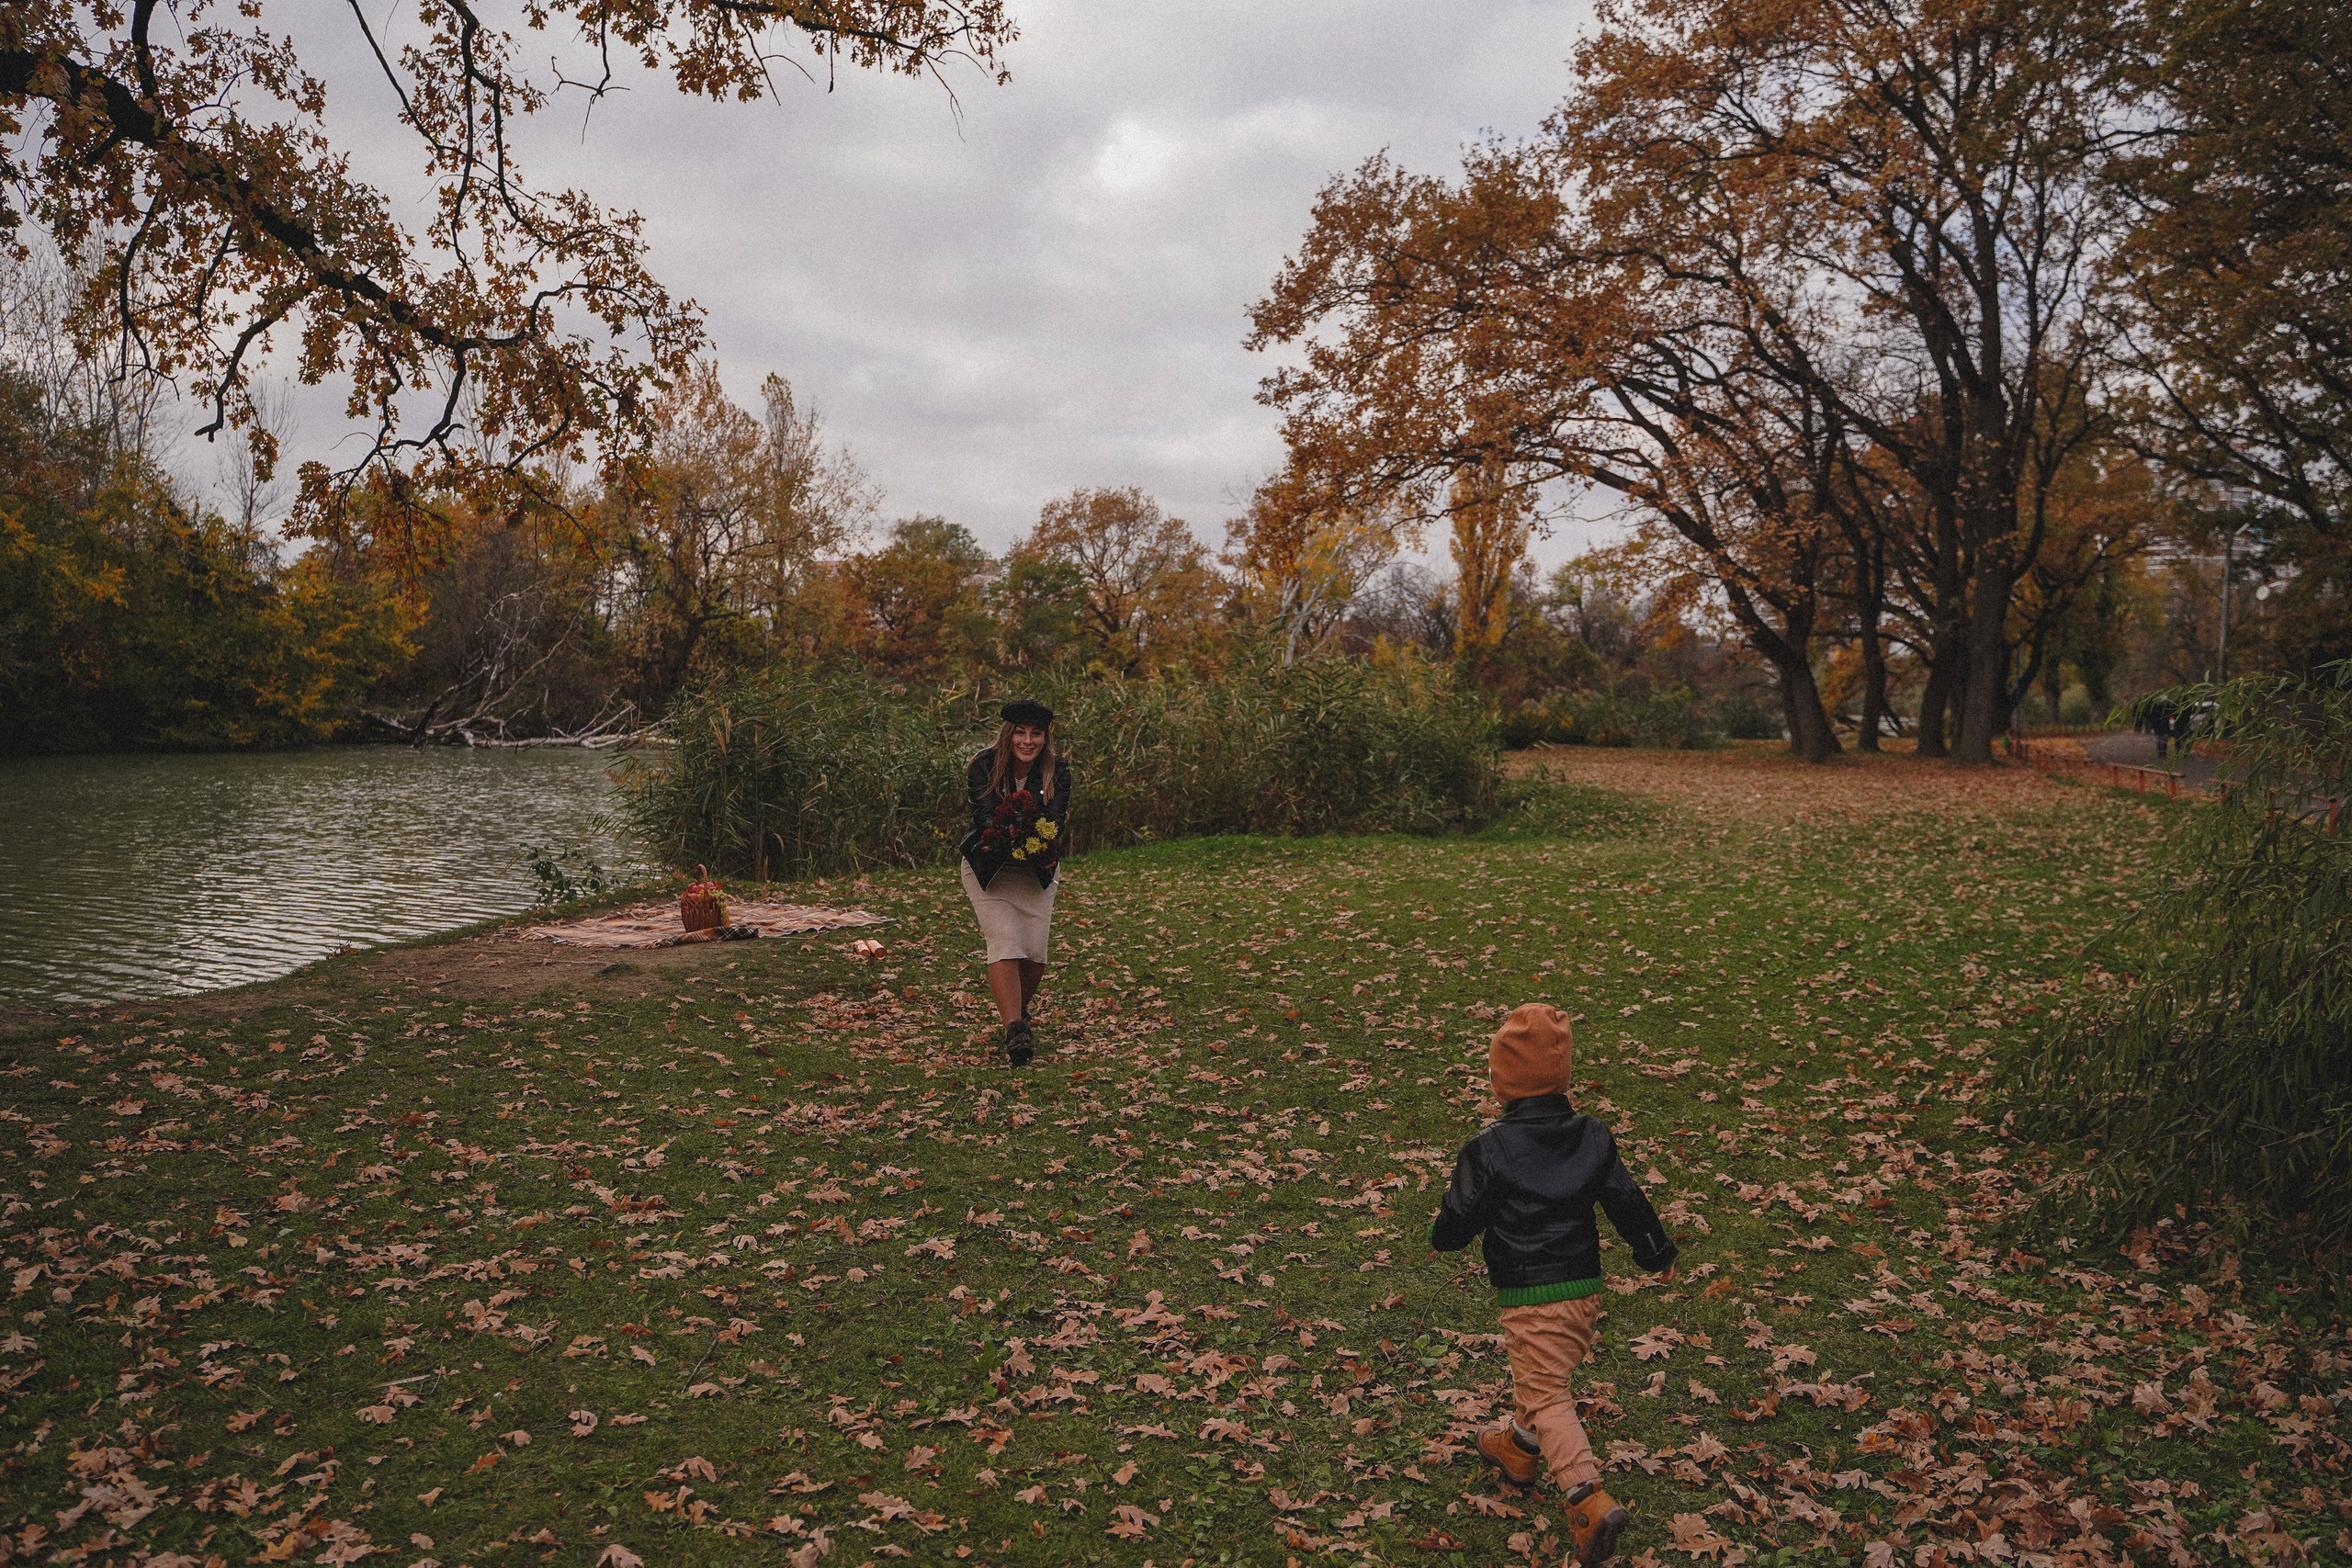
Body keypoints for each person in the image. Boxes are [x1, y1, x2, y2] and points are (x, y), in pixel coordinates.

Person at [1430, 1003, 1679, 1567]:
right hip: (1583, 1290)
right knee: (1542, 1375)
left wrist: (1442, 1237)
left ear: (1501, 1082)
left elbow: (1461, 1211)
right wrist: (1654, 1252)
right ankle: (1518, 1450)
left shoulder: (1489, 1146)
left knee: (1546, 1391)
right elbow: (1627, 1200)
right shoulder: (1591, 1135)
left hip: (1530, 1293)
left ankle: (1586, 1496)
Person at [958, 699, 1072, 1066]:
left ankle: (1016, 1010)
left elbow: (1055, 821)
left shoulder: (1059, 770)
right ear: (1009, 734)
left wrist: (1035, 836)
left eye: (1036, 733)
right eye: (1020, 733)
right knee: (1005, 942)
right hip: (990, 868)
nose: (1028, 741)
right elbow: (986, 815)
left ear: (1045, 736)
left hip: (1036, 869)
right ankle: (1015, 1031)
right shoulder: (983, 765)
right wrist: (1016, 830)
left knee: (1035, 955)